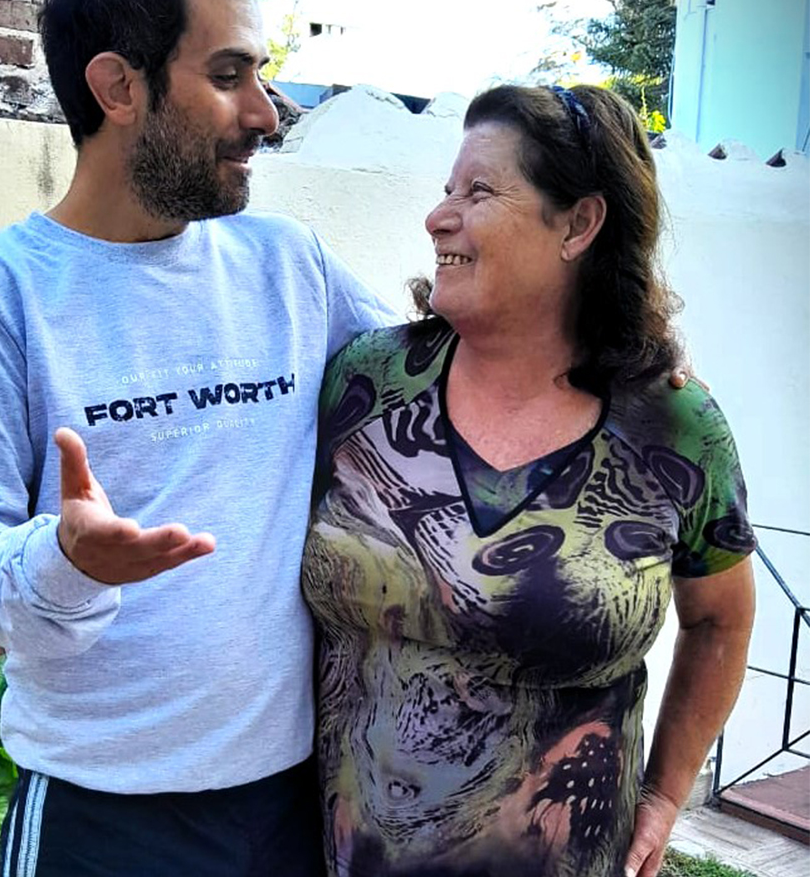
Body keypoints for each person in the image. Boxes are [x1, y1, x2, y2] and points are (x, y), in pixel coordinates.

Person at [0, 0, 398, 877]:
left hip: (290, 803)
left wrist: (612, 354)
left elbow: (433, 378)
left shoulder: (288, 263)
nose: (268, 114)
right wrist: (64, 560)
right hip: (98, 816)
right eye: (229, 75)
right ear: (119, 88)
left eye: (261, 76)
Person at [302, 84, 757, 877]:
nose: (437, 217)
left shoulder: (673, 427)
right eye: (447, 190)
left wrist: (663, 795)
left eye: (478, 192)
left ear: (579, 224)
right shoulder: (367, 385)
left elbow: (720, 621)